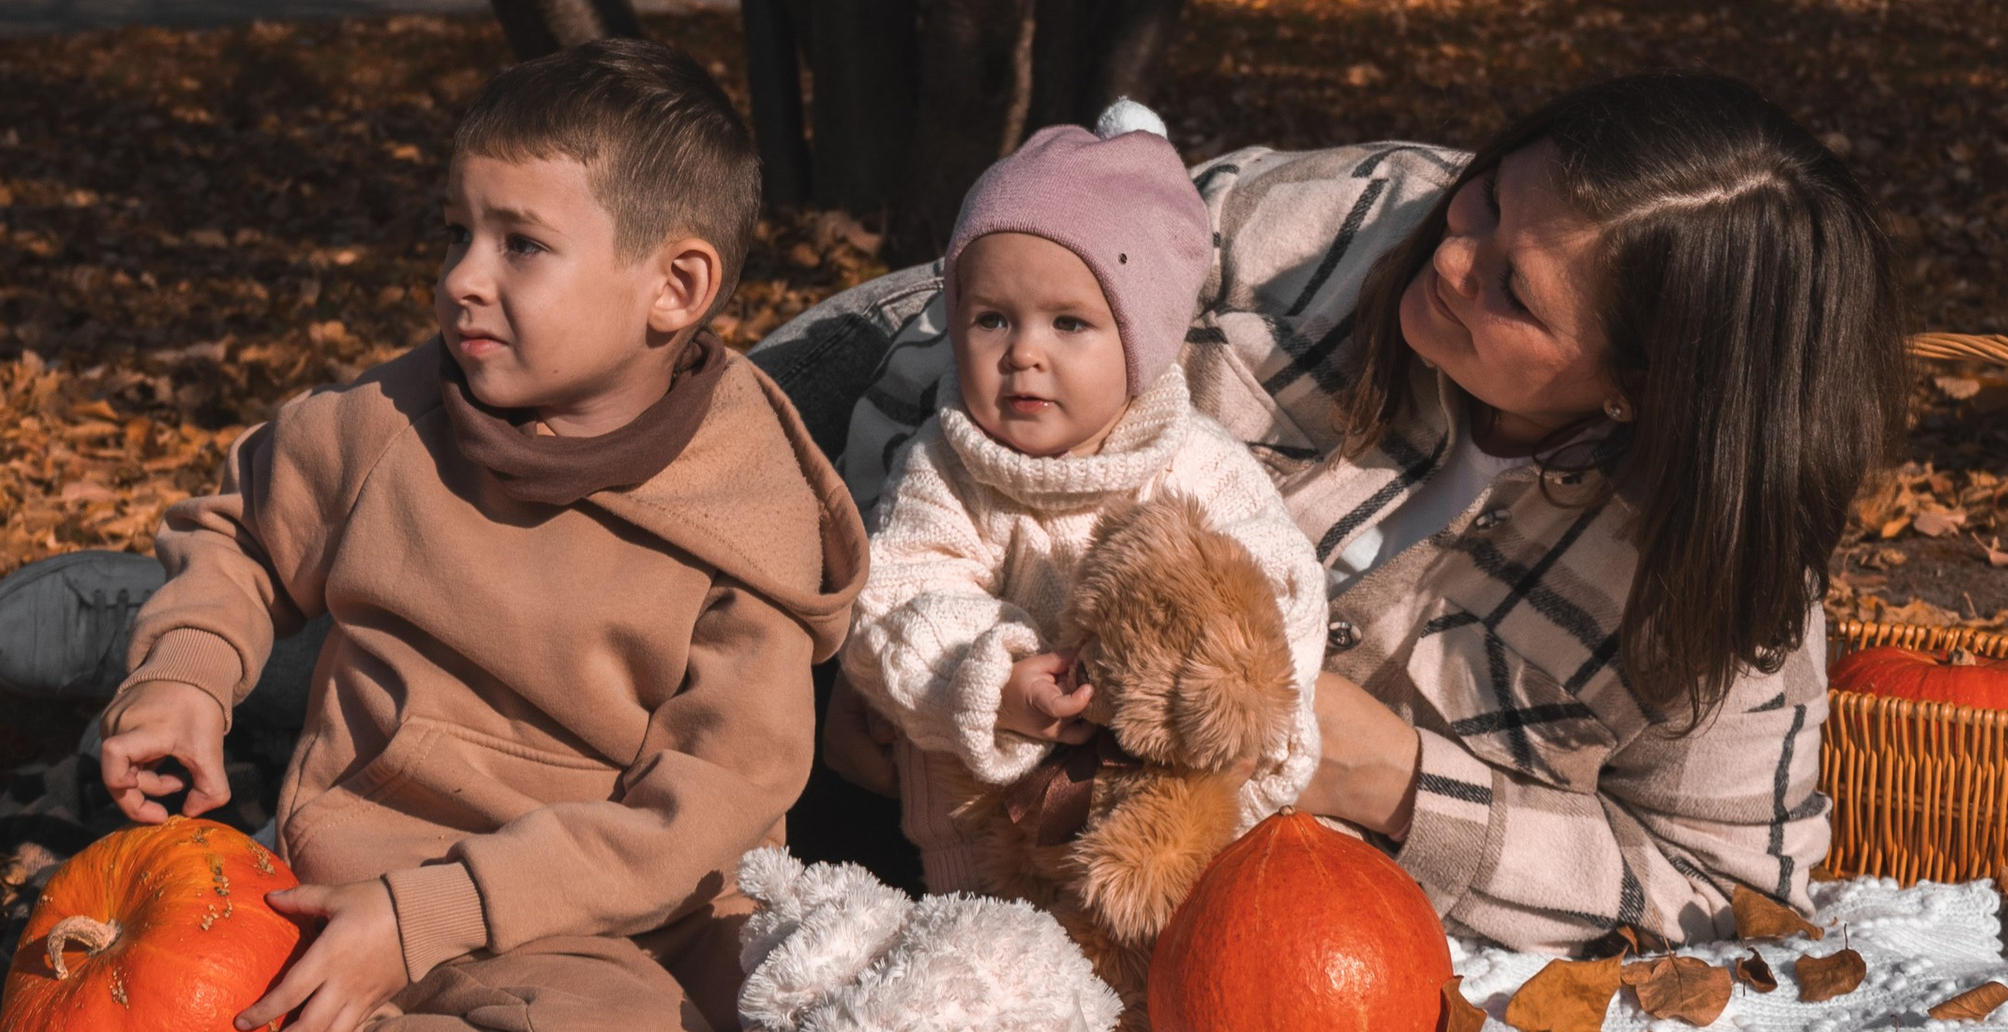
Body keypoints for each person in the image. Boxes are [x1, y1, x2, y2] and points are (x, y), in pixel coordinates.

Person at [812, 75, 1903, 950]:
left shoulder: (1716, 582)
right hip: (930, 672)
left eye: (1514, 293)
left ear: (1642, 386)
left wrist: (1393, 782)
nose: (1450, 256)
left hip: (1204, 905)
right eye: (1479, 200)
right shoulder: (1330, 228)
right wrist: (895, 655)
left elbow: (1735, 900)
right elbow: (964, 332)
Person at [93, 39, 866, 1032]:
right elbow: (243, 535)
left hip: (636, 913)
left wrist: (449, 914)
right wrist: (185, 676)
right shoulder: (392, 426)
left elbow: (709, 812)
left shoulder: (747, 518)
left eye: (520, 245)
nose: (462, 278)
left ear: (675, 287)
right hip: (378, 880)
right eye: (457, 233)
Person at [841, 105, 1326, 894]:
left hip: (1160, 831)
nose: (1023, 353)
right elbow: (896, 598)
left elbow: (1281, 590)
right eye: (992, 319)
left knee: (1183, 967)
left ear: (1144, 342)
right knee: (982, 969)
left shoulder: (1198, 466)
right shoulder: (946, 465)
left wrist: (1229, 701)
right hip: (979, 838)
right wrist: (996, 678)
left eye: (1070, 323)